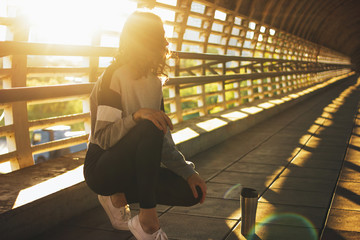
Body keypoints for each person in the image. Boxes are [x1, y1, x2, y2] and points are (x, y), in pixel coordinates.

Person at [83, 11, 207, 240]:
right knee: (148, 125)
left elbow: (163, 140)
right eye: (158, 35)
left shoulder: (154, 83)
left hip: (135, 167)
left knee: (191, 192)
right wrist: (136, 117)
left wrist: (189, 174)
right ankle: (146, 222)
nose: (163, 41)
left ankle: (118, 197)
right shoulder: (114, 76)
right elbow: (102, 137)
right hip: (102, 166)